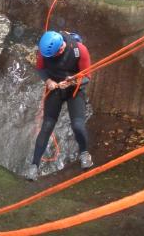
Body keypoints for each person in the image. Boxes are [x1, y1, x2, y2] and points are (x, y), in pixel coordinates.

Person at [26, 30, 93, 181]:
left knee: (77, 125)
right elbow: (41, 69)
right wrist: (49, 81)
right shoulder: (44, 53)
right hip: (55, 89)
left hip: (74, 90)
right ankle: (34, 166)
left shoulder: (79, 50)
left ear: (61, 49)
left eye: (58, 52)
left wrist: (73, 81)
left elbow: (87, 76)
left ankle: (84, 153)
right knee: (47, 126)